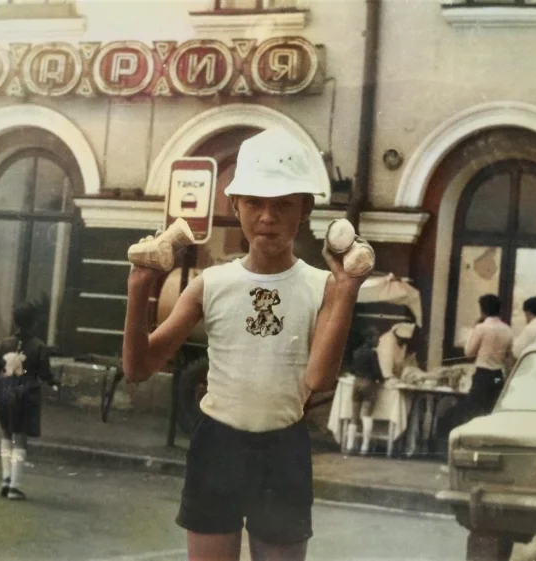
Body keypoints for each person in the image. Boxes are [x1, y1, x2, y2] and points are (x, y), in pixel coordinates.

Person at [123, 127, 371, 561]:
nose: (267, 217)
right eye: (254, 202)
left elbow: (319, 378)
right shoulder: (211, 284)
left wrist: (348, 289)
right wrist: (139, 288)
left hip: (283, 448)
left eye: (283, 204)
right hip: (216, 446)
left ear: (305, 209)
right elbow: (138, 368)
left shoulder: (323, 286)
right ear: (235, 205)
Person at [0, 302, 60, 501]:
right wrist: (55, 382)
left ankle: (6, 479)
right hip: (26, 393)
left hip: (4, 391)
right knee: (20, 438)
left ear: (15, 321)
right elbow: (45, 374)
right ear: (34, 322)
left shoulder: (3, 344)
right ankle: (14, 486)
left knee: (7, 433)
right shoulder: (39, 346)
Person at [464, 294, 514, 417]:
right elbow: (509, 357)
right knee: (492, 411)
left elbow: (469, 353)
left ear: (482, 310)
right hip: (497, 377)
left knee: (475, 411)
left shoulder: (481, 328)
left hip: (483, 376)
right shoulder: (508, 330)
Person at [346, 327, 383, 455]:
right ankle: (364, 447)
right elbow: (377, 372)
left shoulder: (356, 352)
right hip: (368, 383)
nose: (378, 341)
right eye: (376, 338)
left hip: (357, 383)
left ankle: (350, 446)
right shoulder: (372, 354)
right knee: (367, 415)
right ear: (369, 339)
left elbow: (352, 369)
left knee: (354, 416)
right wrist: (382, 379)